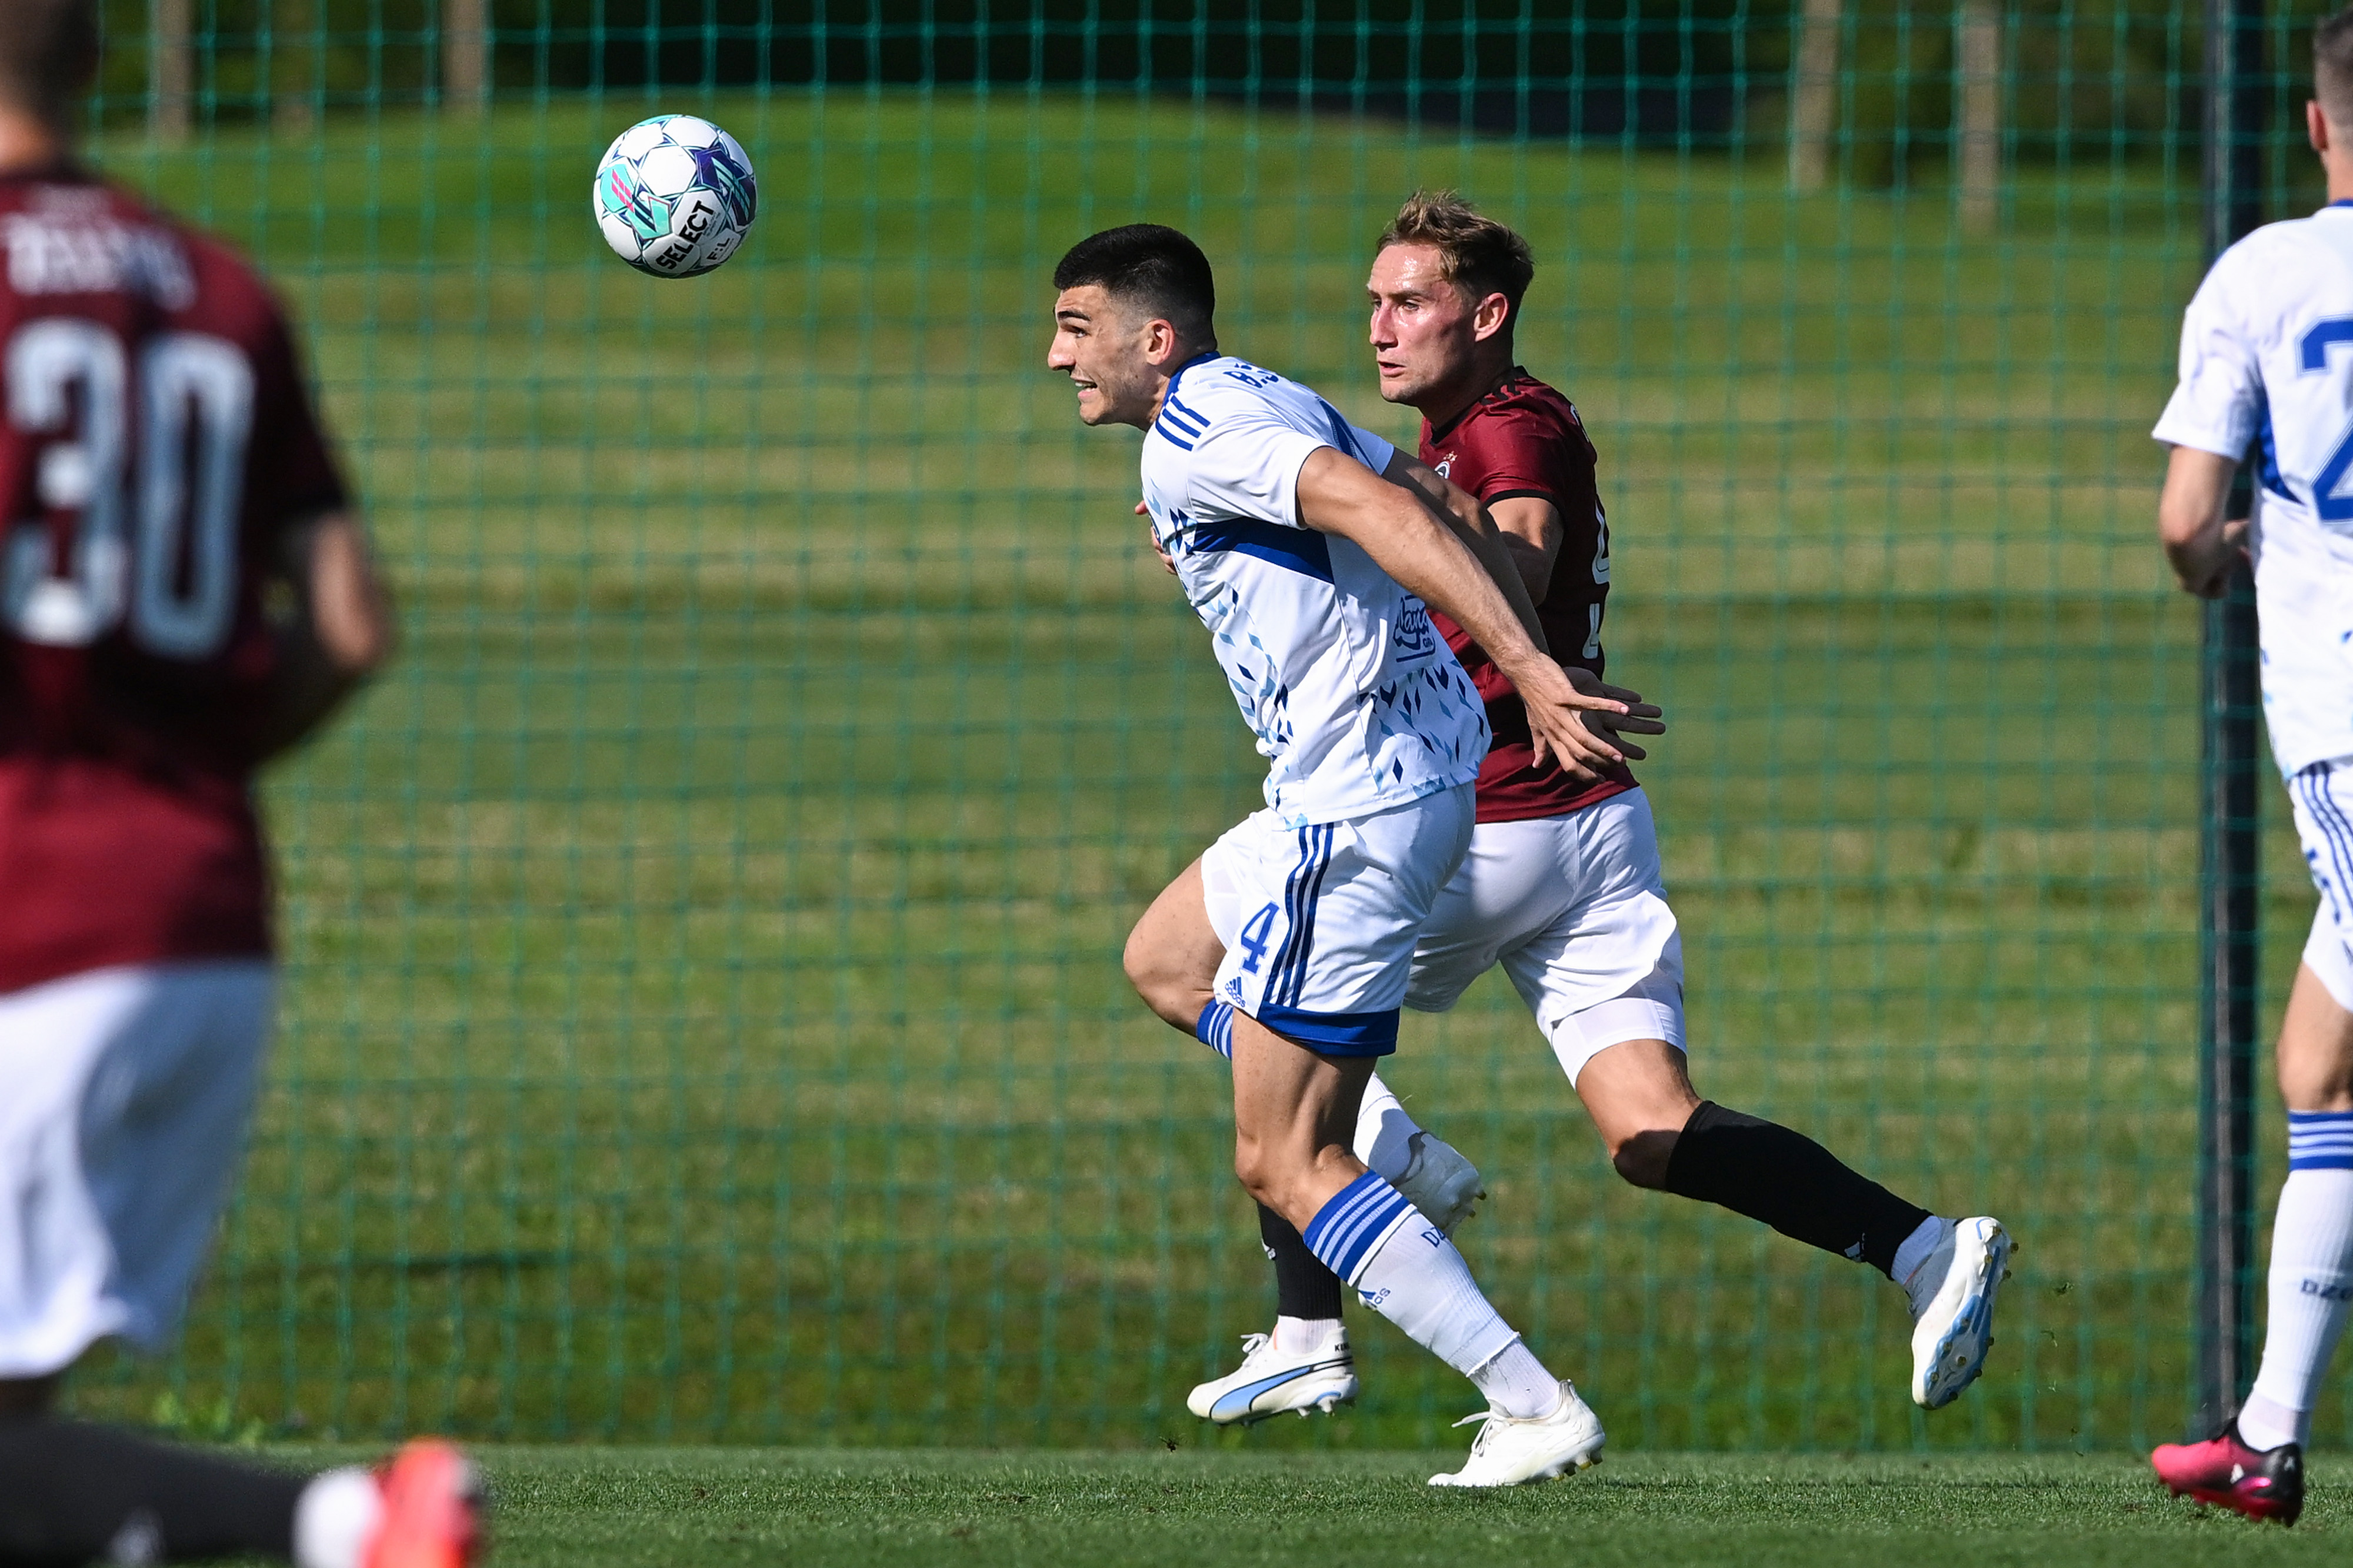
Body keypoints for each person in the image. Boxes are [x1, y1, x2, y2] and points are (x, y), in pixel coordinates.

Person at [1142, 192, 2013, 1431]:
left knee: (1186, 965)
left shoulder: (1511, 426)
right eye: (1373, 302)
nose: (1380, 326)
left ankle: (1324, 1296)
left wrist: (1394, 555)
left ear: (1486, 315)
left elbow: (1522, 553)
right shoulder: (1449, 434)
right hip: (1584, 823)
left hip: (1479, 814)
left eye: (1411, 302)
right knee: (1651, 1129)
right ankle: (1925, 1248)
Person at [1049, 221, 1664, 1486]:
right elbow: (1444, 498)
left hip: (1357, 804)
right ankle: (1329, 1279)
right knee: (1168, 957)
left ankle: (1531, 1403)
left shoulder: (1206, 430)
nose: (1057, 357)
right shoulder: (1253, 391)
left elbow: (1386, 508)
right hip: (1394, 783)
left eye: (1074, 328)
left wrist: (1533, 670)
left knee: (1281, 1157)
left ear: (1153, 339)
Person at [0, 4, 480, 1563]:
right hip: (195, 917)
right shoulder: (213, 288)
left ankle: (346, 1524)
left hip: (29, 908)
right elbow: (349, 624)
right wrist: (178, 767)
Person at [2146, 6, 2353, 1530]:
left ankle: (2268, 1439)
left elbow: (2183, 515)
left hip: (2345, 712)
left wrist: (2215, 553)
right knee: (2317, 1065)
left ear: (2316, 121)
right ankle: (2266, 1438)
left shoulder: (2264, 274)